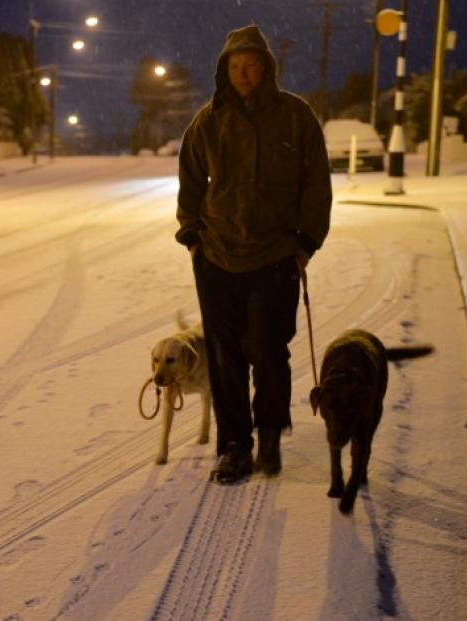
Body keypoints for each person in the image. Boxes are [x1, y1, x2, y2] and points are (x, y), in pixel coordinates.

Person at [176, 25, 332, 484]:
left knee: (267, 350)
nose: (243, 74)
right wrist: (192, 237)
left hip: (276, 255)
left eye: (251, 65)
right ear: (225, 71)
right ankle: (234, 447)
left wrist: (305, 243)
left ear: (266, 68)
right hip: (217, 255)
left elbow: (316, 185)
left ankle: (268, 432)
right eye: (235, 67)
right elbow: (189, 180)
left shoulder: (295, 117)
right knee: (224, 356)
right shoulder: (209, 119)